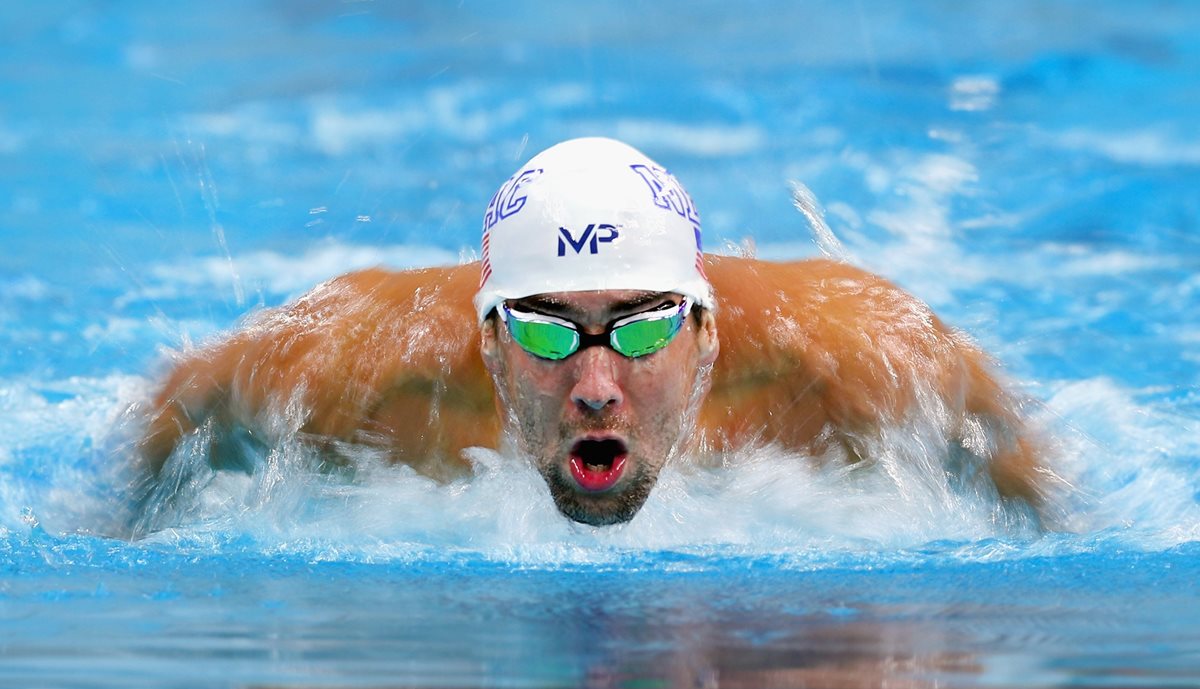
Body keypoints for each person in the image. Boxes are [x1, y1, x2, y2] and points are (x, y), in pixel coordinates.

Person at [140, 137, 1056, 526]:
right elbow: (183, 404)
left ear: (703, 328)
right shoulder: (367, 374)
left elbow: (1028, 474)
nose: (595, 384)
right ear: (491, 340)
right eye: (547, 336)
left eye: (642, 330)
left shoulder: (850, 362)